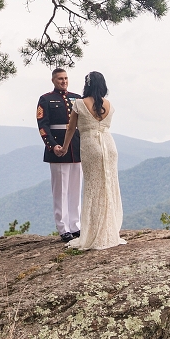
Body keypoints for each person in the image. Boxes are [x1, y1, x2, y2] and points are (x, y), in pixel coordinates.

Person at [55, 71, 125, 251]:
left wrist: (64, 147)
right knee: (108, 187)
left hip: (91, 147)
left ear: (87, 85)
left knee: (93, 188)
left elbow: (71, 129)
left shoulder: (79, 104)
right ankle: (109, 230)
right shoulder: (109, 105)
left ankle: (94, 232)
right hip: (109, 147)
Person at [37, 67, 82, 242]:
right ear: (53, 80)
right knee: (60, 190)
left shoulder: (77, 98)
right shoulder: (46, 99)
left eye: (65, 78)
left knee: (75, 188)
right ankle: (63, 227)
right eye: (60, 79)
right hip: (57, 148)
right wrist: (52, 145)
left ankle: (75, 225)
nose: (63, 81)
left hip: (76, 146)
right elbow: (43, 125)